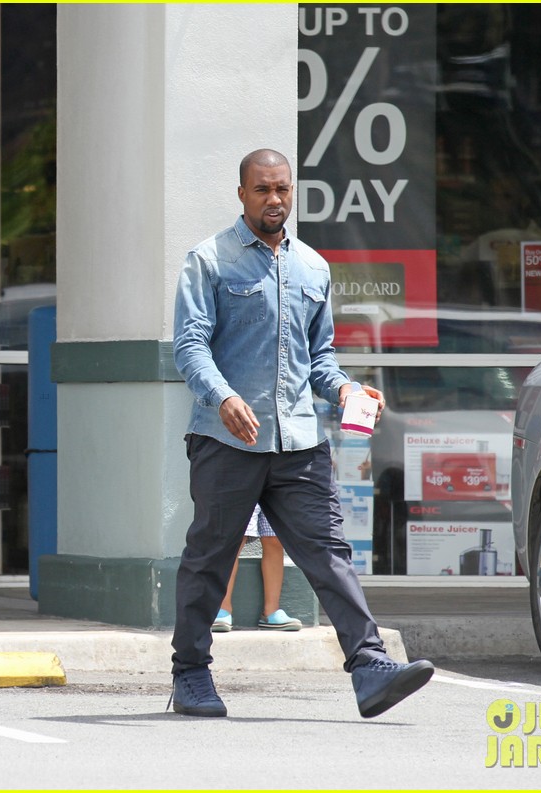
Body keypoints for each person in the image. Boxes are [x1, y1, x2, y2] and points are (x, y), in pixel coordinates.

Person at [169, 149, 434, 719]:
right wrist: (224, 397)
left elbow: (321, 360)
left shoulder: (314, 267)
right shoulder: (208, 261)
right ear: (242, 193)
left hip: (299, 443)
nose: (274, 199)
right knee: (209, 557)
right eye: (263, 189)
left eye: (283, 189)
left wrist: (345, 391)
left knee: (329, 553)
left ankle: (369, 667)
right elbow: (189, 346)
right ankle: (190, 673)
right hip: (226, 439)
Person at [212, 505, 301, 632]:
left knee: (275, 538)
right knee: (236, 537)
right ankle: (222, 609)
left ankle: (271, 612)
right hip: (242, 486)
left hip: (275, 486)